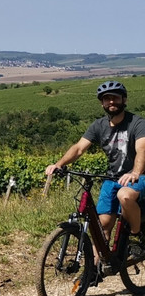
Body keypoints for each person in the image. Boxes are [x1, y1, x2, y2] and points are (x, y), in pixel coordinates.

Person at [45, 81, 145, 245]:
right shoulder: (98, 125)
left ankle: (136, 235)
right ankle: (96, 268)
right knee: (102, 226)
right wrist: (59, 164)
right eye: (107, 98)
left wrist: (135, 172)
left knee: (124, 196)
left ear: (124, 100)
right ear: (102, 103)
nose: (111, 102)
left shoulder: (137, 123)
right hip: (112, 178)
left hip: (139, 176)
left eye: (115, 98)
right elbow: (78, 148)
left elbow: (142, 149)